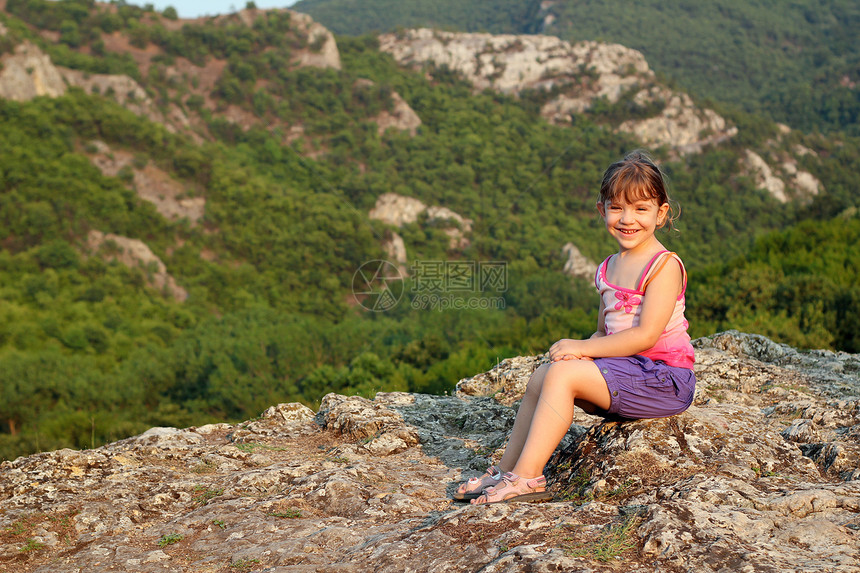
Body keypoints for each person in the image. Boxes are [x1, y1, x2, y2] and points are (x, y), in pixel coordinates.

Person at [454, 150, 696, 505]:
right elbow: (604, 332)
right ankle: (506, 471)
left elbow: (645, 336)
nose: (627, 219)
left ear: (661, 214)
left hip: (664, 380)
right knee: (545, 375)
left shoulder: (664, 266)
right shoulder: (608, 268)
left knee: (563, 375)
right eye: (617, 208)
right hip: (627, 372)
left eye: (641, 209)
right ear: (602, 211)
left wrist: (580, 349)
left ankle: (529, 479)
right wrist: (577, 351)